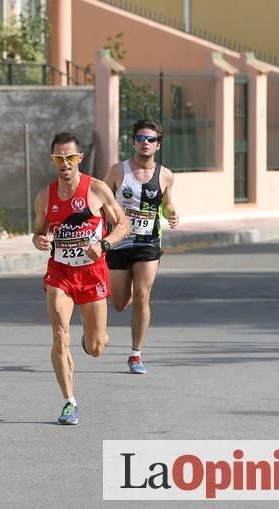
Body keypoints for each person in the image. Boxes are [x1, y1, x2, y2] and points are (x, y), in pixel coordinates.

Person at [32, 132, 129, 425]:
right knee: (60, 335)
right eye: (60, 158)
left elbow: (122, 225)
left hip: (92, 273)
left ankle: (92, 336)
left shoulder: (97, 190)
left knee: (97, 347)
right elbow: (39, 231)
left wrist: (104, 244)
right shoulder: (44, 197)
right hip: (60, 273)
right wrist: (39, 240)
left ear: (79, 159)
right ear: (53, 161)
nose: (65, 164)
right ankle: (69, 402)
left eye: (70, 158)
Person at [103, 119, 179, 375]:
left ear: (158, 145)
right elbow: (101, 199)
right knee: (120, 303)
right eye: (140, 138)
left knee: (143, 295)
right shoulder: (117, 171)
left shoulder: (165, 175)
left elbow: (166, 203)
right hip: (119, 241)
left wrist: (171, 213)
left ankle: (136, 354)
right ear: (134, 141)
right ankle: (98, 326)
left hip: (148, 242)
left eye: (150, 139)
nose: (145, 143)